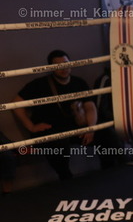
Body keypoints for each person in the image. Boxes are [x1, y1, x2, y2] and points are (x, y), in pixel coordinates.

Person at [13, 50, 97, 180]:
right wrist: (31, 127)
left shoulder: (79, 82)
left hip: (75, 127)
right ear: (51, 68)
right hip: (51, 129)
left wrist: (91, 128)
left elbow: (90, 107)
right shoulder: (40, 84)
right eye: (58, 65)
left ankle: (111, 173)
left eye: (66, 63)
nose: (63, 68)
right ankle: (66, 180)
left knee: (107, 134)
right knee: (58, 143)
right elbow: (16, 104)